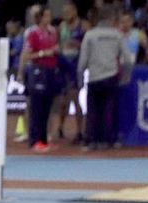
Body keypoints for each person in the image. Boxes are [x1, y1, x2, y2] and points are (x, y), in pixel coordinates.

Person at [77, 4, 133, 149]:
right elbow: (127, 59)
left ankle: (91, 140)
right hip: (111, 76)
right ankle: (108, 140)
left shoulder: (90, 35)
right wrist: (126, 76)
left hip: (94, 77)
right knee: (109, 110)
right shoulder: (117, 35)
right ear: (111, 18)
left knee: (93, 111)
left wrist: (80, 79)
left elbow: (83, 60)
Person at [21, 4, 59, 152]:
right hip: (37, 71)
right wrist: (44, 53)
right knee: (36, 107)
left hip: (50, 72)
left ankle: (43, 140)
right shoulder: (33, 33)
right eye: (46, 16)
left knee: (46, 107)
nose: (49, 19)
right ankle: (34, 140)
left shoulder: (52, 32)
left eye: (50, 16)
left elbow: (54, 50)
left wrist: (55, 51)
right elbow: (27, 55)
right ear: (40, 18)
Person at [55, 2, 84, 143]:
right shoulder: (61, 27)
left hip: (75, 65)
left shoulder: (83, 25)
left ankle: (80, 131)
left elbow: (87, 44)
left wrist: (77, 44)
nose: (66, 15)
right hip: (63, 65)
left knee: (75, 98)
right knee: (62, 101)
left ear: (75, 12)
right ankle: (60, 128)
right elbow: (58, 44)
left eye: (68, 12)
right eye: (64, 12)